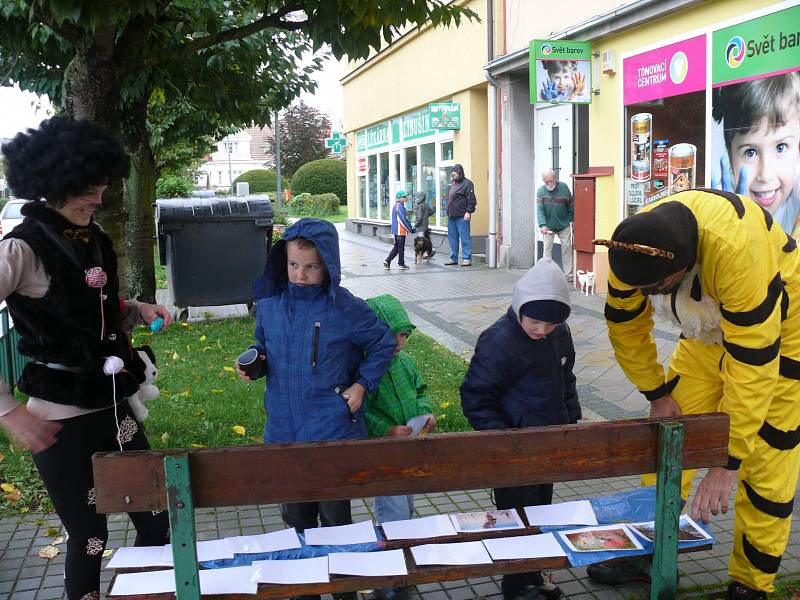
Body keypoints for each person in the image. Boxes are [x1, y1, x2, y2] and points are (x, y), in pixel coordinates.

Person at [591, 189, 800, 599]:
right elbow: (624, 325)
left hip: (781, 338)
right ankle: (650, 553)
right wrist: (656, 392)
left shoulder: (737, 250)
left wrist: (728, 459)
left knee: (765, 464)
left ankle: (750, 586)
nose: (649, 295)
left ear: (682, 267)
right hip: (706, 335)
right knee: (669, 440)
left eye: (657, 288)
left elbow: (754, 368)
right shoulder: (632, 247)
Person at [0, 117, 172, 600]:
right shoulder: (20, 249)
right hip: (60, 420)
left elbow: (87, 309)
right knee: (91, 538)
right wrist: (9, 411)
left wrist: (137, 309)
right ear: (53, 184)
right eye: (87, 189)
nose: (98, 198)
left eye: (101, 187)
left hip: (116, 406)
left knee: (157, 525)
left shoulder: (91, 235)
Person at [240, 218, 395, 600]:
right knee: (295, 518)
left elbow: (382, 345)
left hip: (331, 430)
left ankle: (344, 592)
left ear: (328, 264)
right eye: (293, 265)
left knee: (335, 521)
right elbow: (264, 345)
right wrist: (257, 363)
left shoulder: (345, 308)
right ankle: (304, 591)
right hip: (284, 430)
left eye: (311, 266)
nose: (300, 275)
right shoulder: (272, 303)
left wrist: (361, 385)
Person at [461, 257, 580, 600]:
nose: (541, 330)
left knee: (542, 509)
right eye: (535, 321)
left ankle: (538, 574)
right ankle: (516, 584)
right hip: (513, 447)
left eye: (550, 324)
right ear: (519, 307)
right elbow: (475, 395)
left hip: (548, 441)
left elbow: (565, 377)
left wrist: (570, 416)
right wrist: (503, 438)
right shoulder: (499, 340)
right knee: (516, 516)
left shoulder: (559, 334)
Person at [363, 293, 435, 600]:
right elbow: (361, 410)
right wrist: (386, 430)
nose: (398, 343)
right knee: (391, 516)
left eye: (402, 335)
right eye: (389, 335)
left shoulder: (405, 362)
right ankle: (389, 581)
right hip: (385, 458)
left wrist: (427, 412)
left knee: (406, 510)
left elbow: (421, 391)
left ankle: (402, 572)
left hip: (409, 454)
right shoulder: (366, 369)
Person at [711, 72, 800, 238]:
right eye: (750, 152)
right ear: (730, 156)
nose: (765, 175)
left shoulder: (796, 183)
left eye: (781, 147)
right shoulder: (721, 198)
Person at [536, 169, 574, 282]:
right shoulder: (541, 191)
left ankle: (568, 274)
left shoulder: (564, 188)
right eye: (546, 182)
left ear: (555, 178)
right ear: (544, 181)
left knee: (567, 247)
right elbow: (540, 210)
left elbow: (571, 206)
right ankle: (547, 273)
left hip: (563, 224)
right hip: (548, 225)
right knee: (547, 249)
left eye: (551, 181)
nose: (549, 184)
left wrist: (572, 220)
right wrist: (543, 225)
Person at [445, 164, 477, 266]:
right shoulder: (454, 183)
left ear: (460, 173)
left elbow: (471, 199)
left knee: (464, 238)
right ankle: (453, 258)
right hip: (452, 216)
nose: (453, 177)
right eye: (452, 175)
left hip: (462, 216)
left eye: (454, 175)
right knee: (452, 238)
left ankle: (467, 258)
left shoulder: (468, 184)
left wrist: (468, 212)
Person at [384, 190, 415, 270]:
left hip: (399, 230)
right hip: (400, 231)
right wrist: (410, 229)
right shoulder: (399, 206)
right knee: (400, 248)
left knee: (397, 247)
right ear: (399, 198)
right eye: (404, 197)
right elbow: (402, 220)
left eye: (406, 197)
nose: (406, 198)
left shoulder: (399, 206)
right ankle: (401, 264)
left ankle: (388, 261)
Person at [413, 190, 434, 257]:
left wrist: (415, 224)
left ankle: (425, 253)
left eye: (417, 197)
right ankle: (429, 251)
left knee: (421, 241)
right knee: (426, 239)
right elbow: (430, 212)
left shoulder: (419, 206)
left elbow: (419, 217)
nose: (416, 199)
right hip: (425, 225)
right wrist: (435, 208)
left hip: (420, 226)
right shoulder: (426, 204)